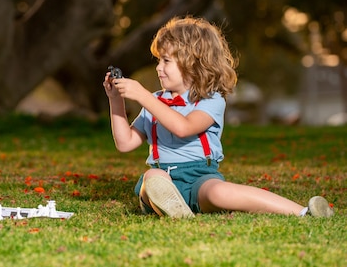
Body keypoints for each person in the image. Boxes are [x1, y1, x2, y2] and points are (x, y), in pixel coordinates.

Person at [103, 16, 334, 218]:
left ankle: (303, 212)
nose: (158, 68)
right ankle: (172, 206)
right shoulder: (155, 101)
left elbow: (183, 127)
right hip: (164, 177)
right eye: (158, 61)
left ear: (192, 63)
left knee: (218, 191)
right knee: (153, 176)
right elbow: (125, 143)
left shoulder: (211, 100)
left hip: (200, 178)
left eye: (166, 61)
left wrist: (143, 96)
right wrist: (116, 101)